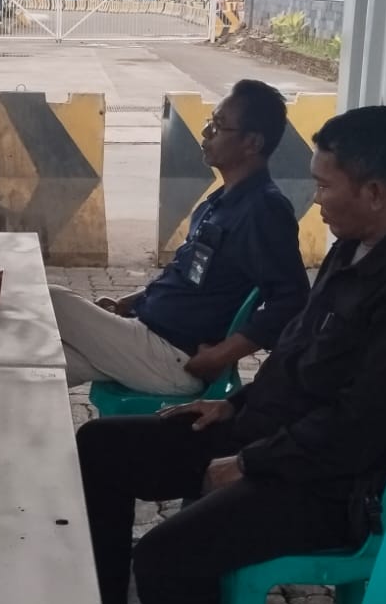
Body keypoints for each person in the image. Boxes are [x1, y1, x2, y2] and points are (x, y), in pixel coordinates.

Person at [76, 105, 386, 604]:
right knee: (98, 449)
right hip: (272, 438)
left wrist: (249, 462)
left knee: (165, 558)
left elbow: (356, 429)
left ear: (374, 193)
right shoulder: (352, 248)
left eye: (324, 186)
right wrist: (233, 406)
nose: (315, 200)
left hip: (326, 487)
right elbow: (294, 353)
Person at [49, 78, 309, 395]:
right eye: (209, 122)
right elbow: (188, 275)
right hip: (145, 338)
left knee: (50, 299)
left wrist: (220, 356)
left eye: (218, 126)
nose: (206, 133)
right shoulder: (220, 202)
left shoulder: (264, 209)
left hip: (174, 358)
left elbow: (291, 298)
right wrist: (130, 302)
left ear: (252, 143)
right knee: (37, 365)